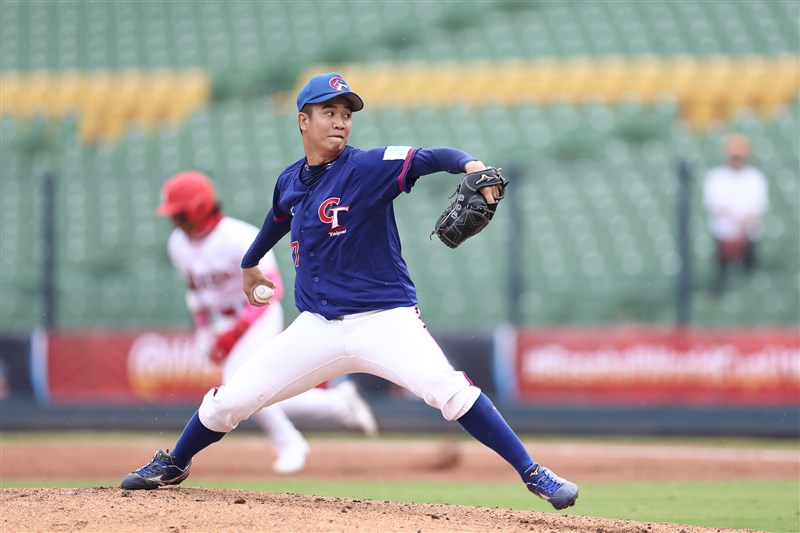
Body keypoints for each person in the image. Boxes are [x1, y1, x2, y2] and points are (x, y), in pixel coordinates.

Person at [122, 73, 579, 511]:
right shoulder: (289, 180)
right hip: (317, 327)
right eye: (329, 112)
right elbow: (277, 218)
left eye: (346, 113)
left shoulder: (366, 167)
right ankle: (175, 462)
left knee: (451, 391)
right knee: (231, 400)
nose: (340, 121)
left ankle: (534, 473)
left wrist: (472, 166)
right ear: (303, 120)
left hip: (386, 321)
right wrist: (249, 262)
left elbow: (430, 156)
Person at [153, 170, 379, 474]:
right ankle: (338, 404)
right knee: (261, 390)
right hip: (225, 322)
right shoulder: (177, 244)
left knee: (238, 383)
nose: (175, 220)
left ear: (198, 207)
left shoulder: (238, 236)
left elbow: (273, 289)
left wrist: (234, 333)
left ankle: (291, 443)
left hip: (257, 315)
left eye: (179, 213)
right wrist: (205, 332)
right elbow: (195, 291)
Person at [702, 133, 769, 295]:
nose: (736, 160)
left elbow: (759, 208)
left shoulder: (755, 177)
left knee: (750, 277)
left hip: (749, 234)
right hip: (724, 234)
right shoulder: (716, 177)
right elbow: (714, 207)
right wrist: (736, 221)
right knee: (721, 276)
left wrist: (743, 224)